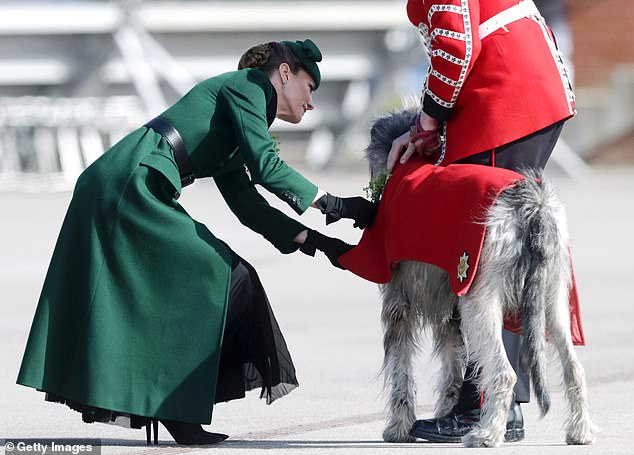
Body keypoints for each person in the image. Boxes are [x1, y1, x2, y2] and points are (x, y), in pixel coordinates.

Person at [17, 39, 375, 445]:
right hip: (131, 182)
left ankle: (176, 407)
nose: (311, 103)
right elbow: (267, 165)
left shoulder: (242, 115)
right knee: (219, 276)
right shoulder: (250, 86)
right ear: (286, 73)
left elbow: (246, 204)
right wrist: (337, 205)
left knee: (229, 278)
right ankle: (176, 408)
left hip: (136, 182)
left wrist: (320, 243)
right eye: (312, 88)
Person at [387, 0, 576, 443]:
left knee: (480, 260)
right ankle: (501, 404)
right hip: (524, 96)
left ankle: (485, 406)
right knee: (507, 257)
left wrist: (426, 121)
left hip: (504, 105)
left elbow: (454, 44)